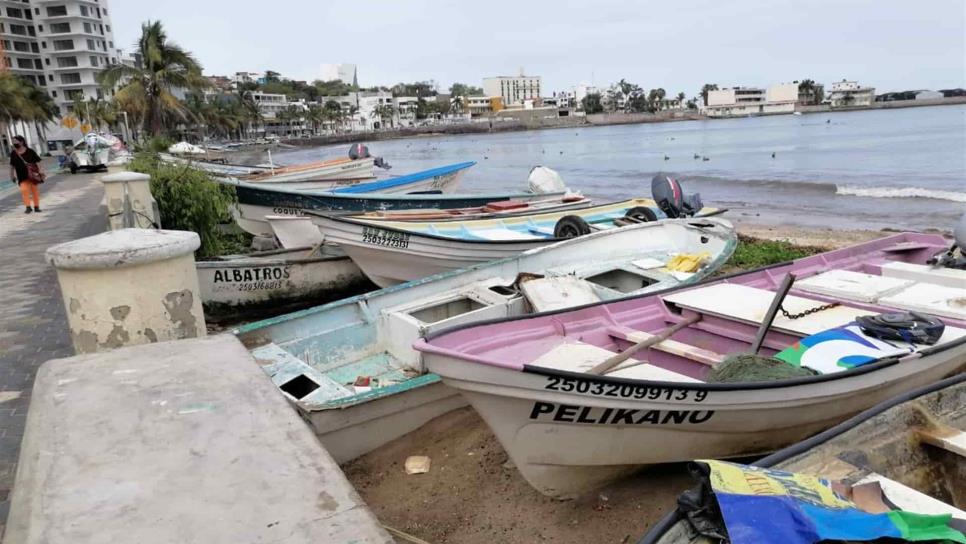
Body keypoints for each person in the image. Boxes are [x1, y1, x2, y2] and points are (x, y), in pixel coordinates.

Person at [9, 135, 45, 214]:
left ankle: (36, 207)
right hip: (21, 176)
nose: (14, 143)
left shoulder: (30, 151)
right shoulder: (13, 153)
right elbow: (12, 165)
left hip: (33, 175)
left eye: (15, 141)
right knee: (24, 190)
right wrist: (12, 176)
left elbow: (38, 161)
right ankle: (28, 207)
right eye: (13, 141)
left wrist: (41, 170)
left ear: (21, 142)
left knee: (34, 191)